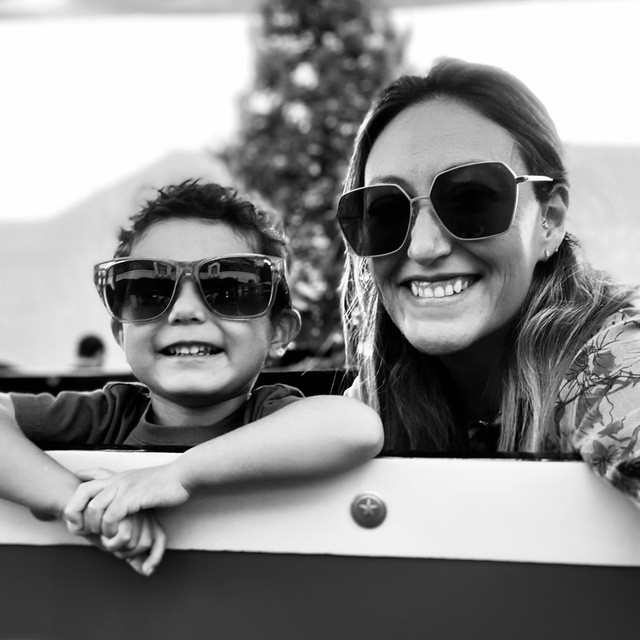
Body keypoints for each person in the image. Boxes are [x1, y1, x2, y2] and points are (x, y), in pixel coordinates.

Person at [0, 180, 383, 576]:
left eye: (230, 289)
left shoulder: (269, 417)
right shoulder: (108, 415)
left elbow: (356, 427)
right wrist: (78, 501)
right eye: (149, 291)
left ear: (279, 332)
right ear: (121, 333)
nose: (185, 311)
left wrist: (177, 476)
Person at [337, 57, 640, 503]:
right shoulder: (382, 394)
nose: (423, 247)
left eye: (472, 201)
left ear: (550, 221)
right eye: (385, 211)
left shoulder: (610, 363)